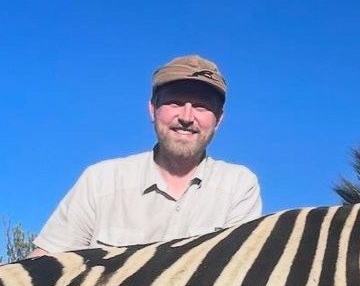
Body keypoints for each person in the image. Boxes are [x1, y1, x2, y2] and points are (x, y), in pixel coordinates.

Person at [30, 54, 262, 254]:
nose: (187, 117)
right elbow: (47, 262)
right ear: (152, 109)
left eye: (201, 106)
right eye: (175, 102)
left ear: (218, 120)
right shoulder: (101, 180)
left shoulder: (238, 186)